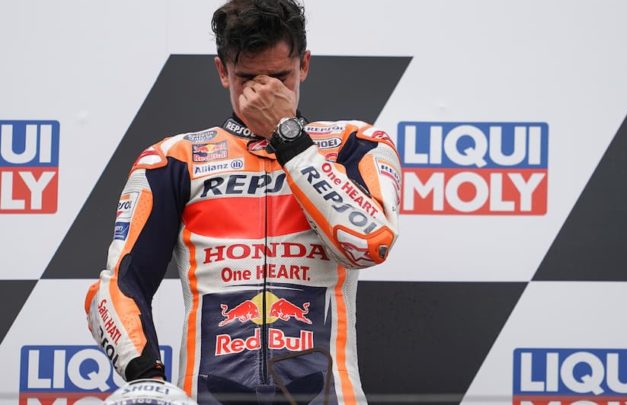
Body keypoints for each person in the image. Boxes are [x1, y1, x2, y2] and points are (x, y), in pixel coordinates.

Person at [83, 0, 401, 403]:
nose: (264, 94)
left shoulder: (354, 144)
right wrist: (149, 380)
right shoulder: (175, 160)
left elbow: (368, 244)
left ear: (304, 65)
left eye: (280, 77)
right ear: (222, 71)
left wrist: (288, 137)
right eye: (247, 79)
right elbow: (118, 287)